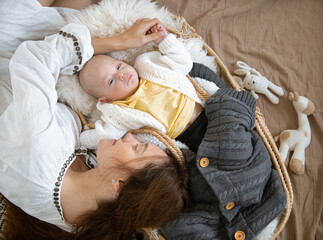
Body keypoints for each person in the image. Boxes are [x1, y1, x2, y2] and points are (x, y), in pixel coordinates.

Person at [0, 1, 190, 239]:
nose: (130, 137)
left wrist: (120, 41)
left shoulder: (38, 150)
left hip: (15, 57)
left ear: (118, 185)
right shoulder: (90, 203)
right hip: (48, 69)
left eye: (137, 147)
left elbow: (33, 57)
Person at [79, 23, 219, 152]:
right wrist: (81, 137)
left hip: (208, 112)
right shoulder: (120, 112)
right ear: (106, 99)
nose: (121, 75)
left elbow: (183, 63)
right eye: (111, 81)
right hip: (187, 138)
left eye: (118, 66)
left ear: (123, 61)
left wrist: (163, 40)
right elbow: (104, 136)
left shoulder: (149, 66)